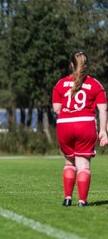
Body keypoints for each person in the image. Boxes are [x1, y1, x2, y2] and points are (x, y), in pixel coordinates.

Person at [52, 50, 107, 207]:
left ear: (71, 65)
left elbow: (57, 109)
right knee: (83, 165)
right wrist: (103, 130)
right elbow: (103, 109)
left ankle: (67, 198)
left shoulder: (60, 84)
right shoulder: (95, 84)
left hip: (65, 125)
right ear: (86, 65)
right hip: (85, 125)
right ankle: (82, 201)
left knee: (69, 163)